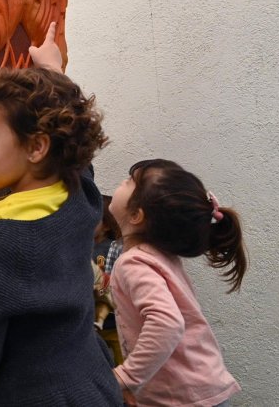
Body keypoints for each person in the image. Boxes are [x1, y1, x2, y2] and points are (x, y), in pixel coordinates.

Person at [0, 23, 121, 406]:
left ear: (37, 147)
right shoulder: (77, 195)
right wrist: (53, 71)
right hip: (91, 382)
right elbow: (74, 149)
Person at [108, 159, 247, 407]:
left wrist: (125, 378)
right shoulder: (158, 256)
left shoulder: (134, 263)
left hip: (182, 399)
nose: (122, 181)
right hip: (194, 392)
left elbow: (167, 323)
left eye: (130, 181)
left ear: (136, 215)